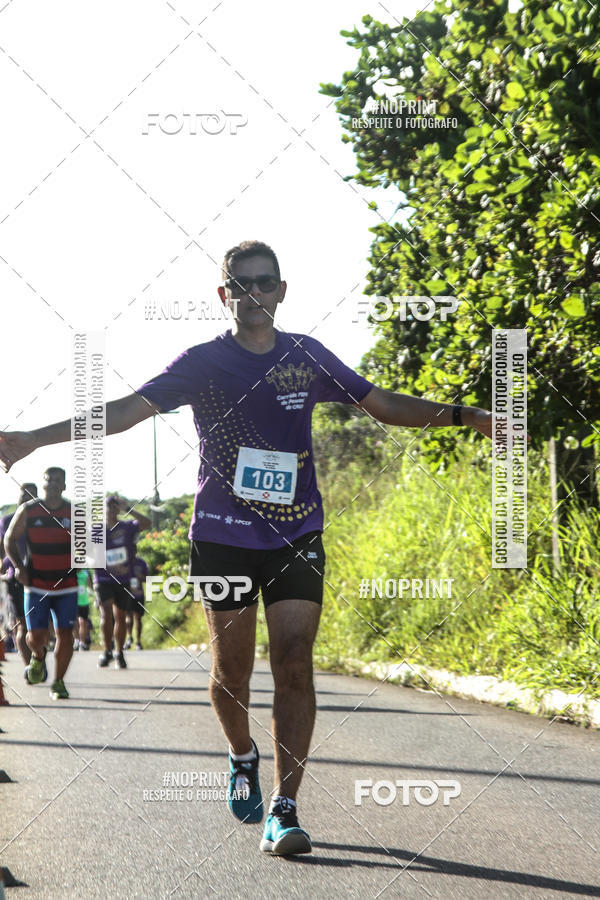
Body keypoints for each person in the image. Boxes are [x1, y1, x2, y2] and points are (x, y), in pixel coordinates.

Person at [0, 239, 493, 853]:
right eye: (242, 283)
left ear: (282, 290)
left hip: (297, 531)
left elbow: (381, 404)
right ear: (224, 294)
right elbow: (125, 412)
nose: (254, 293)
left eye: (266, 282)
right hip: (220, 537)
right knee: (231, 673)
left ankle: (284, 808)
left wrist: (466, 415)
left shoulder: (306, 356)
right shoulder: (203, 362)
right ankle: (241, 754)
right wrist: (31, 438)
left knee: (292, 659)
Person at [3, 468, 77, 700]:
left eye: (58, 480)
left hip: (67, 585)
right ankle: (37, 657)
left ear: (64, 486)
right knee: (35, 636)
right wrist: (20, 569)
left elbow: (91, 545)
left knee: (66, 633)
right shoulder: (29, 510)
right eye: (49, 479)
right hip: (36, 585)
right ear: (42, 484)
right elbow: (9, 540)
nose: (53, 484)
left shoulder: (74, 511)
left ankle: (59, 682)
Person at [94, 496, 150, 669]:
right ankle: (106, 650)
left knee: (121, 616)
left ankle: (119, 652)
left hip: (125, 578)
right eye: (107, 506)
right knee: (106, 614)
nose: (111, 510)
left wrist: (129, 509)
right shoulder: (96, 530)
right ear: (102, 509)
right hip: (103, 578)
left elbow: (146, 523)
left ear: (119, 509)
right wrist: (110, 567)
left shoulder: (126, 527)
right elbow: (89, 557)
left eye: (114, 506)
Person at [0, 482, 38, 674]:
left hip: (42, 576)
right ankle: (29, 668)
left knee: (41, 627)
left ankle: (38, 658)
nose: (27, 498)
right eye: (24, 495)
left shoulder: (45, 519)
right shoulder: (6, 521)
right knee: (22, 623)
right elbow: (2, 547)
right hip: (14, 578)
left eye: (32, 495)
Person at [124, 554, 148, 650]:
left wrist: (140, 576)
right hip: (127, 594)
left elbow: (147, 578)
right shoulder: (124, 562)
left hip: (139, 594)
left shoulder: (142, 563)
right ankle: (129, 638)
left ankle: (138, 641)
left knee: (138, 618)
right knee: (128, 618)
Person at [75, 568, 92, 650]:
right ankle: (76, 640)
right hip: (74, 602)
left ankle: (82, 642)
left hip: (84, 602)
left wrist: (91, 593)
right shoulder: (72, 575)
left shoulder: (85, 574)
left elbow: (89, 587)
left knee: (83, 622)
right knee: (75, 623)